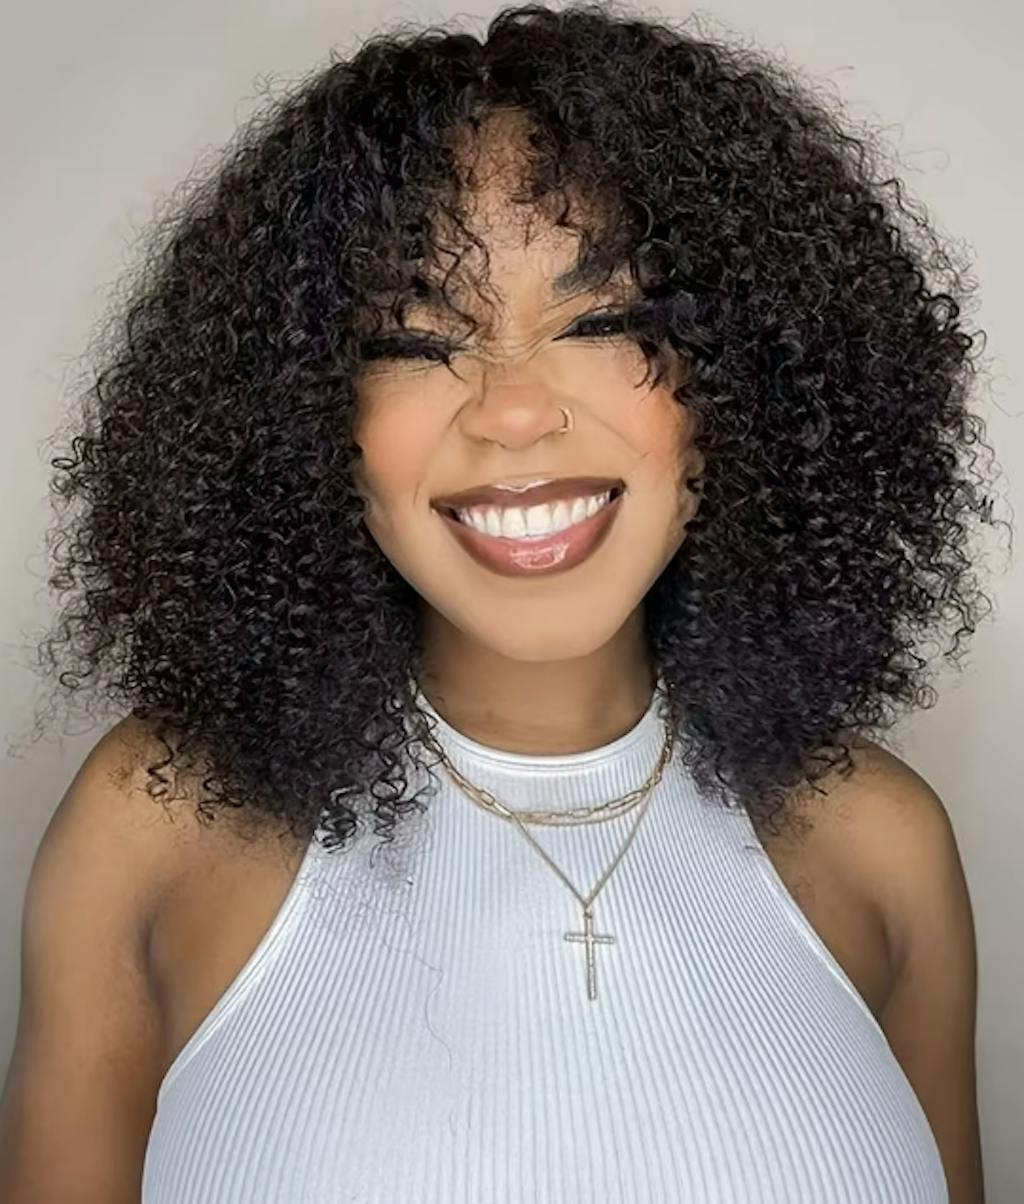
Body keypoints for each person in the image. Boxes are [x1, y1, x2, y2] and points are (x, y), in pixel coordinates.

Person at [0, 3, 997, 1201]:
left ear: (746, 380)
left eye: (605, 321)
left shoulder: (881, 845)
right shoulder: (160, 823)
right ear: (306, 411)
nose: (514, 411)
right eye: (417, 340)